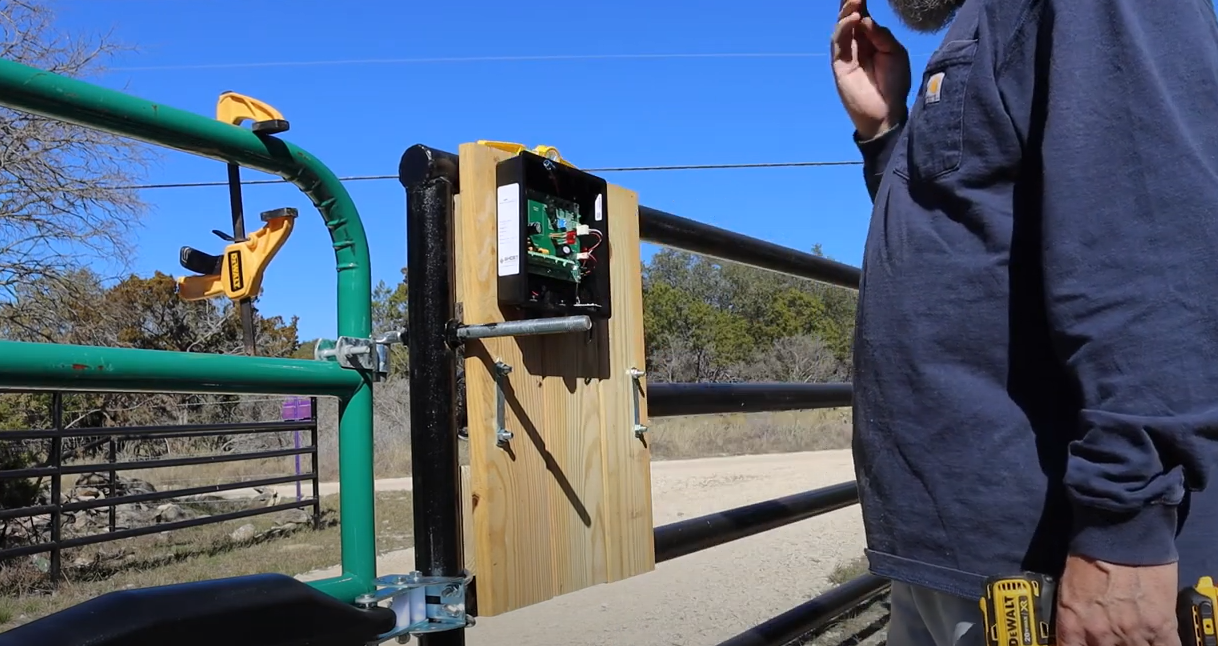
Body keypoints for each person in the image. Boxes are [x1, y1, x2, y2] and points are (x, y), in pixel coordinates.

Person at [830, 0, 1218, 645]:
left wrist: (1125, 529)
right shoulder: (994, 18)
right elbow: (968, 247)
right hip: (959, 552)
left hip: (1053, 560)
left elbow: (1158, 248)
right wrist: (885, 133)